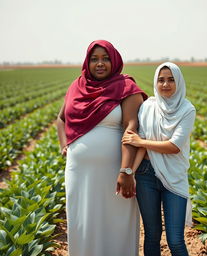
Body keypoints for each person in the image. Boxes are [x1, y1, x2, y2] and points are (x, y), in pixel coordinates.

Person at [57, 40, 147, 256]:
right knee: (83, 221)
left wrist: (126, 171)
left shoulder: (126, 87)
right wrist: (64, 145)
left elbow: (131, 128)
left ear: (114, 61)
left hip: (115, 172)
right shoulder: (77, 86)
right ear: (87, 62)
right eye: (94, 59)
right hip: (79, 172)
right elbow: (61, 119)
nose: (100, 63)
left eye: (105, 58)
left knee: (115, 223)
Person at [122, 62, 196, 256]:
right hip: (146, 175)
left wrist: (141, 141)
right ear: (156, 82)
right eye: (161, 80)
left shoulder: (187, 110)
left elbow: (174, 146)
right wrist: (130, 172)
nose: (165, 84)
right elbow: (139, 147)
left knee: (176, 240)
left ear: (179, 82)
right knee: (152, 235)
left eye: (171, 79)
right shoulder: (148, 107)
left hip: (175, 177)